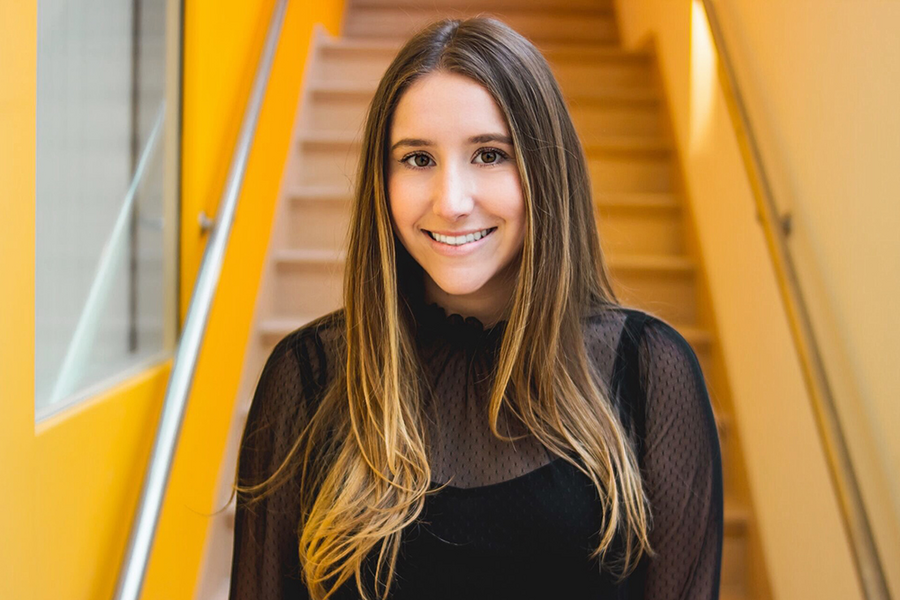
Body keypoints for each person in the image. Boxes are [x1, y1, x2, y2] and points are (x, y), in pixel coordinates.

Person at [229, 17, 723, 600]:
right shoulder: (307, 378)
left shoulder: (645, 374)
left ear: (546, 170)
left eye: (489, 154)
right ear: (381, 179)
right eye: (417, 159)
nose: (452, 201)